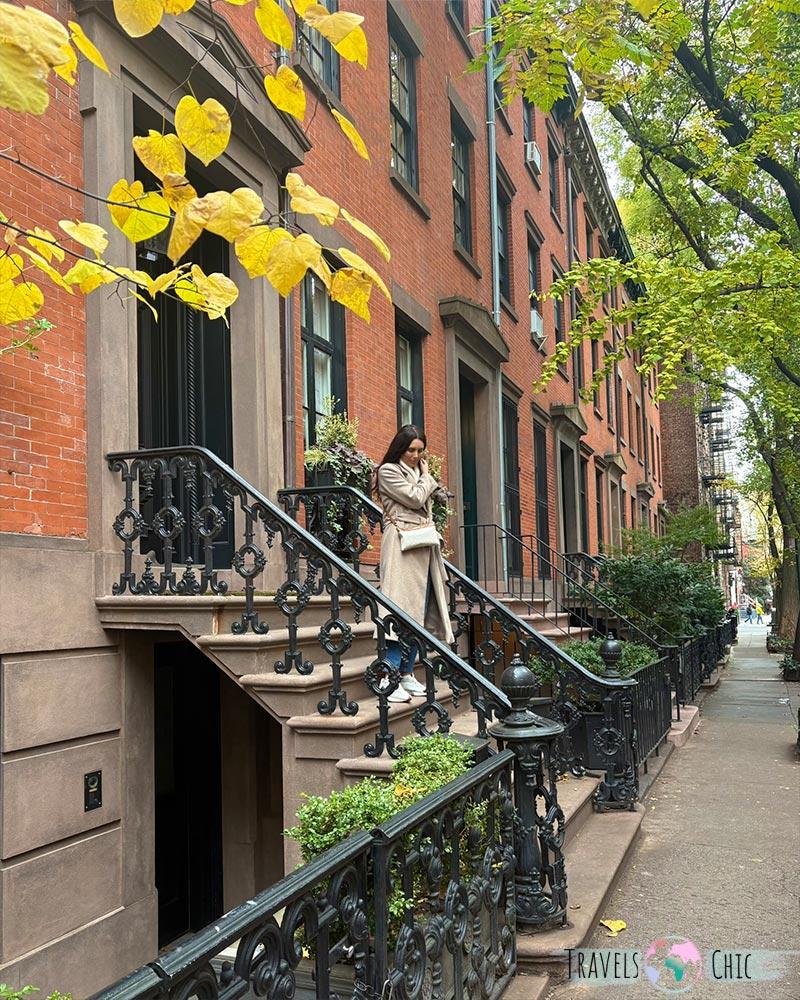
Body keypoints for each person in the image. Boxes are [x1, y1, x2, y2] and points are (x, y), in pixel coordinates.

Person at [375, 425, 454, 703]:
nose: (416, 455)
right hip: (401, 547)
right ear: (400, 448)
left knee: (418, 615)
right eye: (411, 450)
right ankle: (388, 678)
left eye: (420, 450)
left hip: (423, 548)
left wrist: (425, 479)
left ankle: (406, 673)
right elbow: (415, 497)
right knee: (398, 613)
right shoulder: (388, 471)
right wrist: (428, 478)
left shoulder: (417, 473)